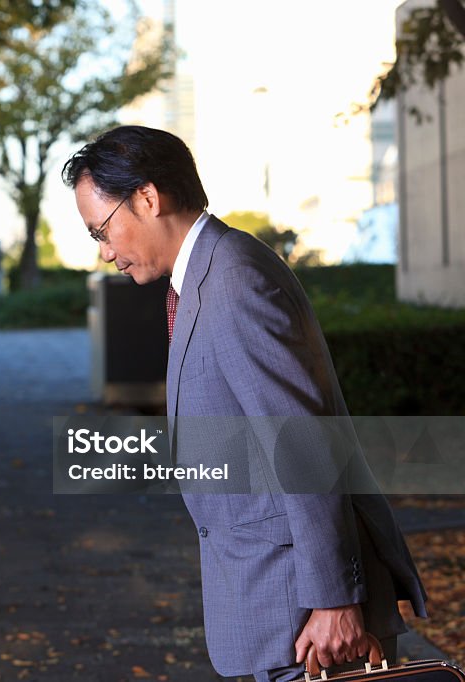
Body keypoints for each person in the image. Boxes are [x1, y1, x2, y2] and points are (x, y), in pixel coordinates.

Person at [62, 126, 427, 682]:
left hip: (307, 621)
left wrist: (334, 600)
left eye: (102, 231)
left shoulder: (234, 280)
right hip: (272, 602)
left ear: (147, 198)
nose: (107, 252)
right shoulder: (204, 278)